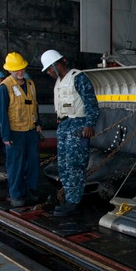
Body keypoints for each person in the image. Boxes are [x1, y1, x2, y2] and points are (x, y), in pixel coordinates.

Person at [41, 48, 99, 216]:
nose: (49, 72)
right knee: (64, 166)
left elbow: (91, 102)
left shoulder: (78, 78)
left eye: (50, 68)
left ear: (57, 64)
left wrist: (89, 124)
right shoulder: (60, 81)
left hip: (78, 125)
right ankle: (69, 198)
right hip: (64, 125)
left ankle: (74, 203)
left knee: (75, 166)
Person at [0, 52, 43, 207]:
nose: (20, 72)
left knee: (33, 162)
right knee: (16, 164)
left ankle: (32, 189)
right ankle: (16, 194)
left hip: (31, 131)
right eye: (16, 70)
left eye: (22, 68)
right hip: (15, 132)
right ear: (9, 71)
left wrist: (38, 124)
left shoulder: (30, 84)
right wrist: (5, 135)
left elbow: (35, 105)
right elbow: (2, 113)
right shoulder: (5, 87)